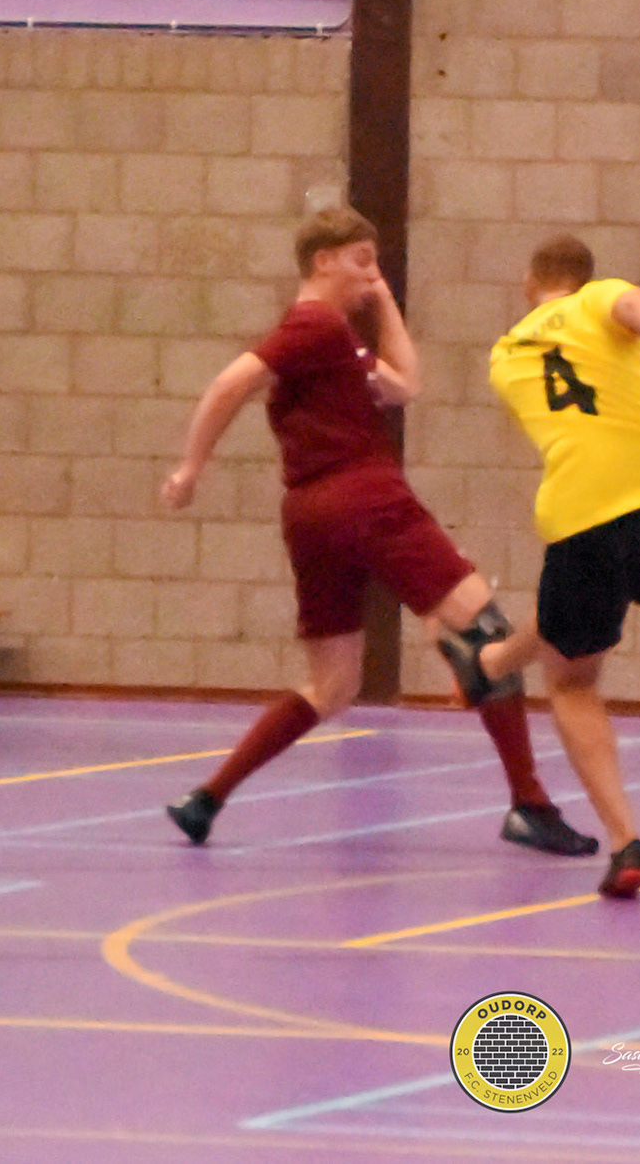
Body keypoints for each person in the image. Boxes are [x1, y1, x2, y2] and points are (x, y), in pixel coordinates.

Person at [158, 206, 595, 858]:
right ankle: (529, 802)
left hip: (309, 514)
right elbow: (232, 383)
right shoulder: (312, 324)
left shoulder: (333, 338)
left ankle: (206, 799)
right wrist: (191, 466)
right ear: (322, 260)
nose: (371, 274)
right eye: (361, 260)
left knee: (333, 685)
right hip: (364, 495)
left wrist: (382, 295)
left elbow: (406, 384)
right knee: (486, 632)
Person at [442, 235, 640, 899]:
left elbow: (584, 424)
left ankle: (625, 842)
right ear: (585, 278)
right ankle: (489, 663)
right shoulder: (602, 299)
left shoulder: (504, 354)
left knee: (573, 680)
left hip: (583, 517)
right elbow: (639, 315)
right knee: (572, 622)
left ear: (530, 282)